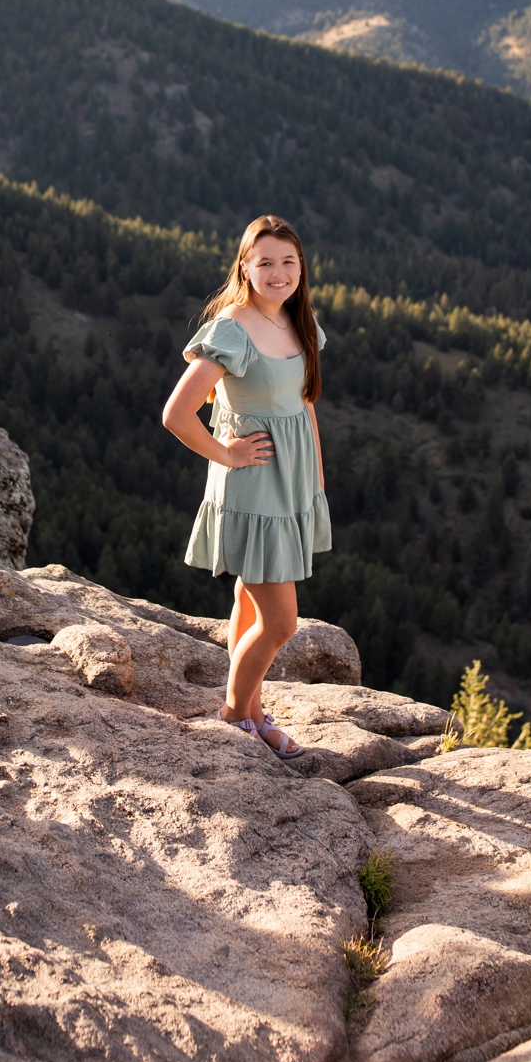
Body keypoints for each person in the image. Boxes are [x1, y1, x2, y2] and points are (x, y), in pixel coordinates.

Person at [159, 215, 331, 759]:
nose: (278, 273)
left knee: (249, 604)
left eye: (288, 262)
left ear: (301, 266)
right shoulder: (232, 327)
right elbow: (177, 414)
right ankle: (234, 717)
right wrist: (227, 453)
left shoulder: (297, 323)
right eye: (265, 263)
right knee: (282, 622)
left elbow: (304, 405)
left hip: (290, 485)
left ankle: (253, 711)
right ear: (245, 267)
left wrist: (316, 480)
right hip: (252, 487)